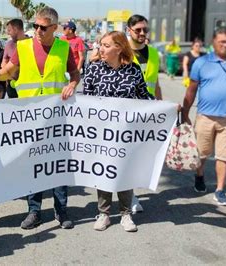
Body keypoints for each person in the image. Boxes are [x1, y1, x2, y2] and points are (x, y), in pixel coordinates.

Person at [0, 6, 80, 230]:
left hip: (57, 118)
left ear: (55, 28)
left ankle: (61, 209)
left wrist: (73, 84)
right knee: (33, 166)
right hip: (29, 119)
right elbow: (9, 69)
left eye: (43, 27)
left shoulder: (63, 47)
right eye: (35, 26)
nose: (37, 30)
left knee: (58, 166)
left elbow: (75, 74)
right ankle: (34, 211)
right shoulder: (23, 46)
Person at [84, 31, 155, 232]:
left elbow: (144, 96)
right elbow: (86, 99)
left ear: (119, 47)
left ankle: (126, 214)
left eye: (106, 45)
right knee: (103, 171)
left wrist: (165, 108)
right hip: (101, 133)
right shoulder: (94, 69)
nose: (101, 49)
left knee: (124, 172)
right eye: (101, 45)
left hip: (126, 133)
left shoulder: (133, 70)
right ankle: (104, 214)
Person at [181, 26, 226, 206]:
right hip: (205, 117)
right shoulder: (202, 62)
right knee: (202, 153)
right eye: (222, 42)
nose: (225, 45)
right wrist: (185, 112)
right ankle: (200, 176)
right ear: (213, 42)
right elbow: (191, 90)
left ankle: (220, 190)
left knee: (224, 156)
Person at [126, 14, 163, 213]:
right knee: (127, 155)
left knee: (140, 155)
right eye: (138, 29)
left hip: (147, 111)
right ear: (129, 30)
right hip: (126, 112)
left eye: (145, 30)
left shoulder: (155, 53)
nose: (142, 33)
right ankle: (130, 196)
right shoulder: (121, 51)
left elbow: (155, 82)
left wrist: (162, 105)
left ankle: (129, 193)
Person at [2, 18, 28, 98]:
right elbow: (4, 62)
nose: (8, 33)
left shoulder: (31, 44)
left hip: (27, 86)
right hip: (11, 86)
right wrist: (7, 75)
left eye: (9, 30)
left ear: (16, 29)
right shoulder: (8, 45)